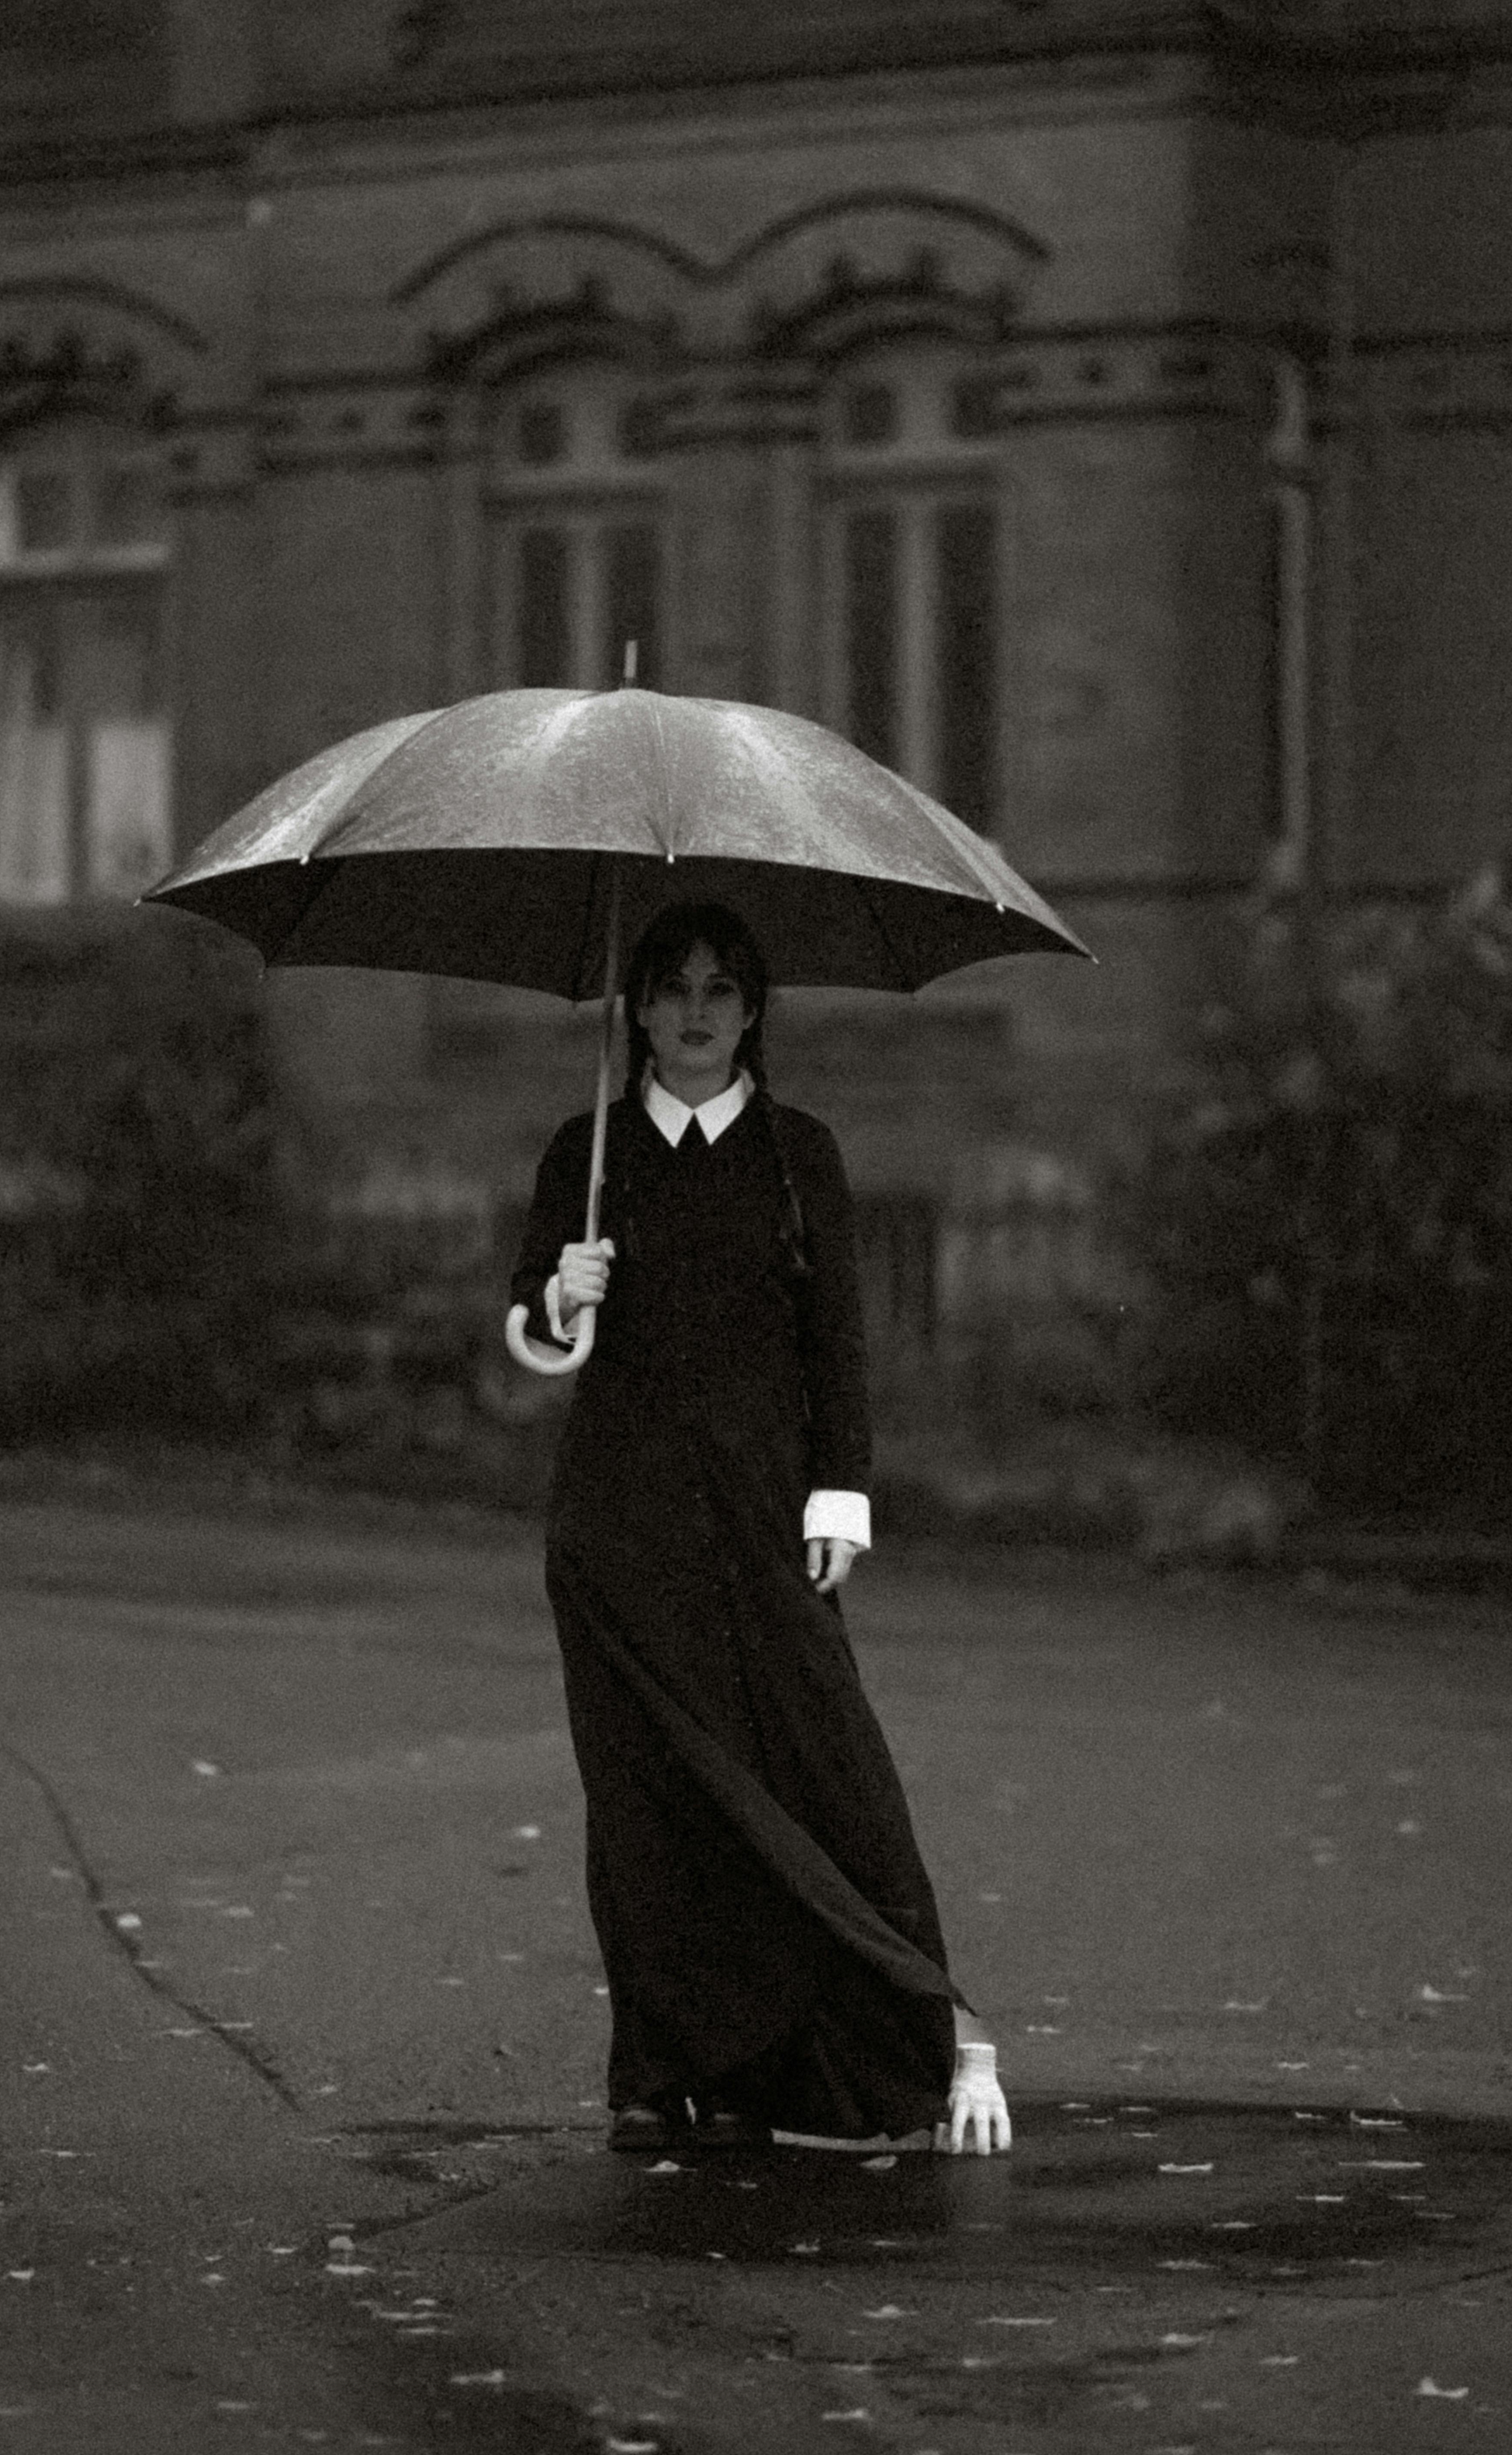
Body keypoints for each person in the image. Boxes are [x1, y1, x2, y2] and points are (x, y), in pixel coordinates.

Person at [508, 899, 1010, 2158]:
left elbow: (836, 1345)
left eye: (721, 990)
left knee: (818, 1768)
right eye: (671, 989)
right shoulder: (589, 1153)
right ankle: (669, 2069)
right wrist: (561, 1303)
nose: (694, 1013)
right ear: (636, 1010)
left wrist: (843, 1489)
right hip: (617, 1533)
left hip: (768, 1520)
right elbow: (535, 1339)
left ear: (754, 1010)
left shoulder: (800, 1155)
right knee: (644, 1807)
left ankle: (891, 2039)